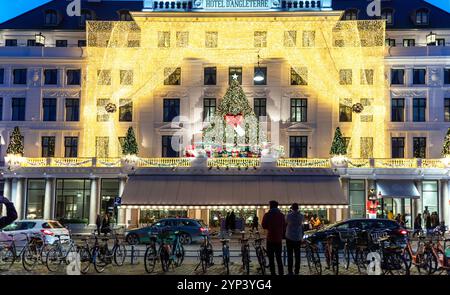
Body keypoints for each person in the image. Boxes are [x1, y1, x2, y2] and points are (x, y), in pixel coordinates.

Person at [262, 200, 285, 275]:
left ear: (271, 206)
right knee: (279, 259)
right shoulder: (281, 215)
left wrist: (270, 226)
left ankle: (273, 273)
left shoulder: (267, 215)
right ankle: (281, 273)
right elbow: (284, 225)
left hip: (270, 238)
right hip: (278, 239)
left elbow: (263, 226)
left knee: (271, 259)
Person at [285, 203, 304, 275]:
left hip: (289, 236)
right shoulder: (301, 216)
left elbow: (286, 221)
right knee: (297, 255)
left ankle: (290, 271)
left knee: (290, 255)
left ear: (292, 208)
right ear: (298, 207)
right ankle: (297, 271)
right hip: (298, 237)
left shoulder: (289, 215)